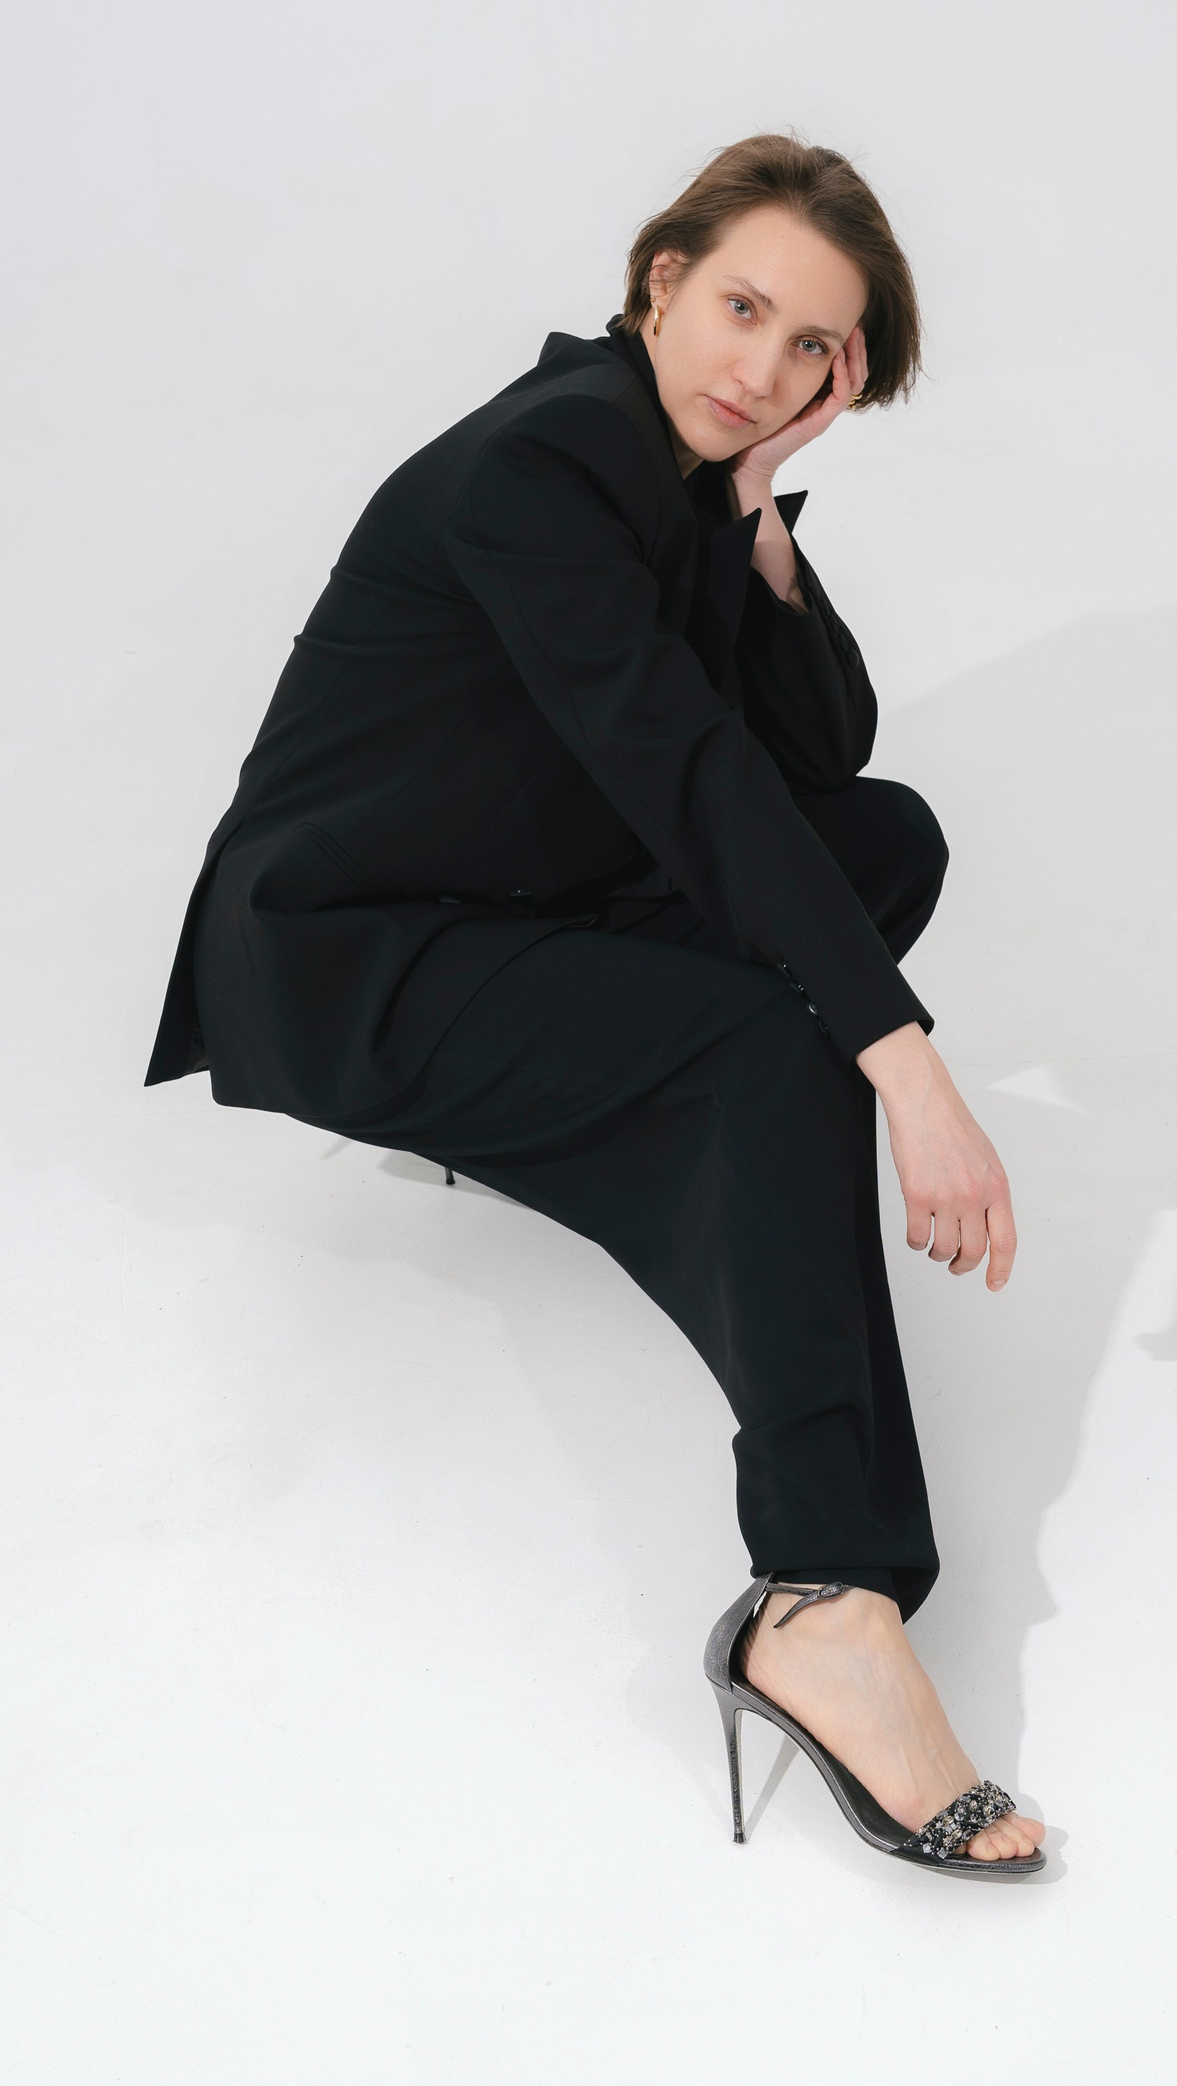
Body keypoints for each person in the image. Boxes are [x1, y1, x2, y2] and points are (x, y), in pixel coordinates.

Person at [146, 134, 1047, 1877]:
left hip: (519, 882)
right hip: (356, 954)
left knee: (883, 841)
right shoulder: (546, 465)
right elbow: (698, 779)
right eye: (740, 307)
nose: (759, 368)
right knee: (781, 1035)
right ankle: (823, 1596)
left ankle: (634, 1118)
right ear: (659, 279)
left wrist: (758, 510)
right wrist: (906, 1063)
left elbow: (820, 749)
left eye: (810, 346)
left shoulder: (680, 464)